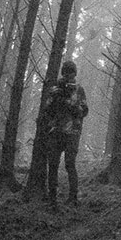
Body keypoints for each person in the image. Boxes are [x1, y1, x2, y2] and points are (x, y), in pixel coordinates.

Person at [37, 61, 90, 205]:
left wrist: (69, 103)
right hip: (56, 131)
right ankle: (52, 197)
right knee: (53, 163)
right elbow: (47, 109)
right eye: (66, 72)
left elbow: (84, 111)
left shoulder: (79, 90)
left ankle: (73, 197)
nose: (68, 75)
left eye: (71, 72)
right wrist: (56, 98)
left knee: (70, 164)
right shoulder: (55, 89)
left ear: (74, 74)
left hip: (72, 133)